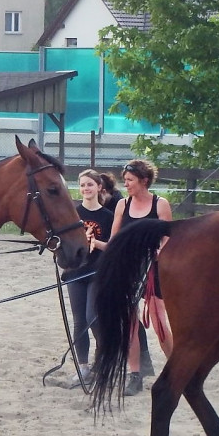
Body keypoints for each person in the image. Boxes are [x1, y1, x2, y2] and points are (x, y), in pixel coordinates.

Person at [108, 159, 174, 396]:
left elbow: (168, 237)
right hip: (128, 268)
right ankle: (134, 374)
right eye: (125, 180)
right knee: (131, 323)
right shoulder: (122, 206)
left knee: (158, 321)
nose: (126, 184)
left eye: (130, 180)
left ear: (144, 181)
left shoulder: (160, 204)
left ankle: (177, 369)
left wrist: (159, 253)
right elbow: (115, 239)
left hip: (154, 269)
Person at [60, 169, 116, 388]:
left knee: (93, 316)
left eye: (90, 185)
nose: (86, 189)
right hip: (76, 271)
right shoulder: (73, 213)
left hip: (98, 271)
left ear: (99, 187)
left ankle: (103, 362)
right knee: (79, 321)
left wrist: (97, 244)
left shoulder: (108, 216)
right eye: (82, 185)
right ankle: (82, 367)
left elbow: (114, 246)